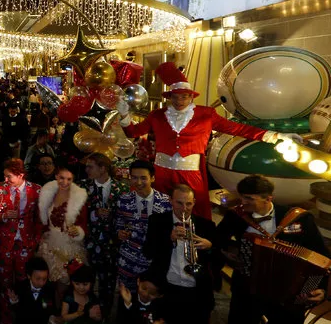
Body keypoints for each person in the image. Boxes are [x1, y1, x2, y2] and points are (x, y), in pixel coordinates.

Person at [119, 62, 302, 219]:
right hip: (162, 171)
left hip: (190, 170)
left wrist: (276, 136)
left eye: (184, 96)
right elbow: (133, 132)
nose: (179, 100)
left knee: (195, 208)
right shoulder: (158, 115)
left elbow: (237, 128)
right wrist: (123, 114)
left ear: (191, 97)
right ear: (170, 97)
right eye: (175, 96)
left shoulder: (206, 115)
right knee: (161, 209)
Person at [217, 175, 329, 324]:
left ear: (268, 198)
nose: (243, 202)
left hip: (287, 296)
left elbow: (321, 258)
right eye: (242, 197)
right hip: (247, 291)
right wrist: (235, 254)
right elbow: (218, 243)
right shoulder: (236, 216)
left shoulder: (300, 218)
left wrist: (322, 288)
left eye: (249, 198)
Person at [143, 184, 216, 324]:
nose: (184, 209)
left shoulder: (206, 225)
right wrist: (170, 239)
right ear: (171, 201)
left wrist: (209, 247)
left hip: (194, 291)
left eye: (189, 204)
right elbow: (148, 252)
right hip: (167, 288)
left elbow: (217, 261)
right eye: (179, 203)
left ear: (194, 203)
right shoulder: (157, 221)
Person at [0, 158, 42, 324]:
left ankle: (22, 317)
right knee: (4, 281)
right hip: (4, 243)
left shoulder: (36, 191)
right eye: (4, 176)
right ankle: (5, 320)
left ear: (21, 176)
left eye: (9, 177)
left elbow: (40, 218)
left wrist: (35, 241)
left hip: (26, 244)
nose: (6, 180)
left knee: (23, 282)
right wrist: (2, 216)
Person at [79, 152, 128, 317]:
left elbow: (126, 215)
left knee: (108, 283)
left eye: (90, 166)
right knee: (87, 281)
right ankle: (86, 312)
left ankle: (105, 315)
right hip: (90, 243)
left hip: (112, 244)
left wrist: (112, 216)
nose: (86, 170)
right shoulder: (82, 187)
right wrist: (93, 212)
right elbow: (77, 213)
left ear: (103, 168)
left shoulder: (121, 188)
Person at [116, 160, 171, 292]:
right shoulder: (123, 200)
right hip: (128, 262)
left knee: (152, 303)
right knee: (127, 302)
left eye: (143, 178)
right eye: (134, 177)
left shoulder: (166, 202)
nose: (138, 182)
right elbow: (117, 226)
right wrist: (120, 233)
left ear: (152, 178)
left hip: (155, 264)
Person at [37, 163, 88, 294]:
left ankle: (63, 309)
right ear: (56, 176)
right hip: (48, 244)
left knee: (65, 281)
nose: (64, 182)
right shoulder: (47, 192)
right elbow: (41, 219)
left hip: (69, 245)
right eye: (61, 178)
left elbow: (84, 223)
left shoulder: (79, 197)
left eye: (69, 179)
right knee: (47, 281)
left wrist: (78, 230)